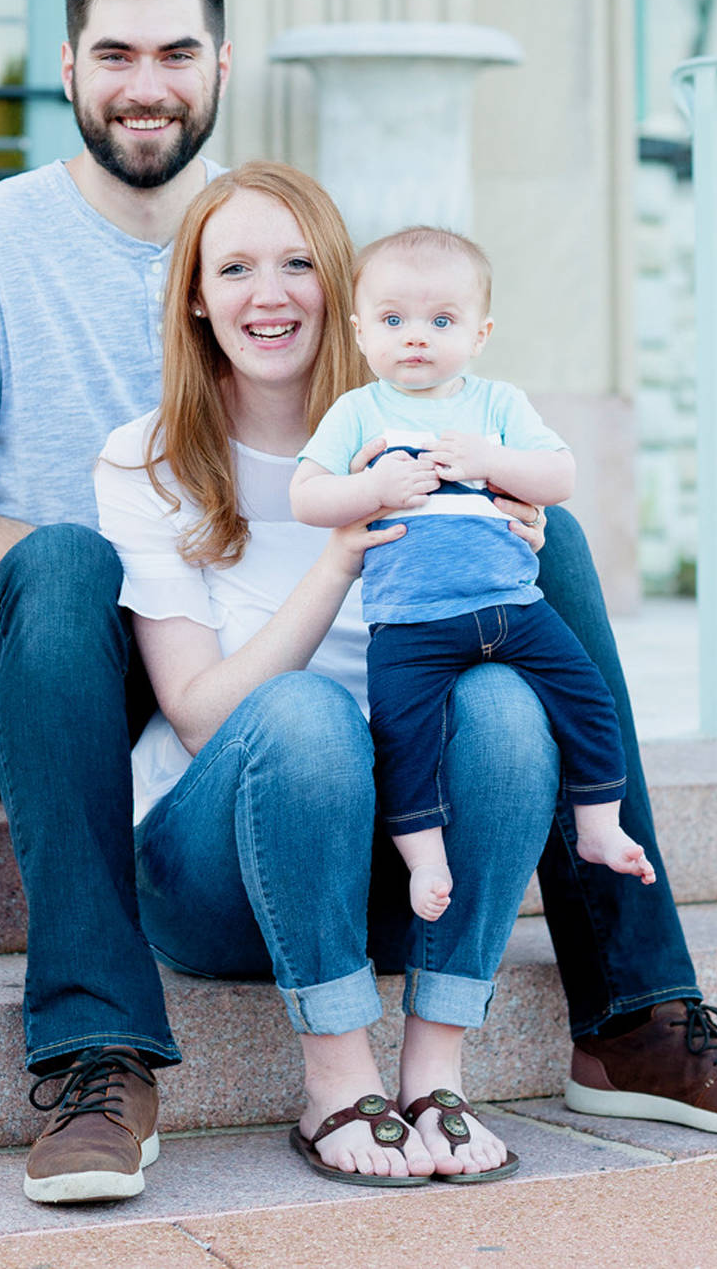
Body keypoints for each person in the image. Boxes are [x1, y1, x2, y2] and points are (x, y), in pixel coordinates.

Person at [0, 0, 717, 1206]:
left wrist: (474, 511)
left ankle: (636, 1012)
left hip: (262, 677)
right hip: (44, 658)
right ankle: (99, 1046)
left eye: (174, 50)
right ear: (68, 67)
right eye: (115, 52)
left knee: (528, 555)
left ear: (221, 63)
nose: (144, 80)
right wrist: (149, 548)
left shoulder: (289, 245)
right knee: (74, 570)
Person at [96, 160, 556, 1183]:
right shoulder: (149, 458)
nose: (268, 294)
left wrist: (505, 537)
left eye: (298, 263)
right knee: (302, 713)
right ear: (198, 300)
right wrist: (340, 549)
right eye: (235, 269)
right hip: (216, 873)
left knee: (504, 704)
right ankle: (335, 1081)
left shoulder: (426, 438)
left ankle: (434, 1073)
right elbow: (205, 717)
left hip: (404, 870)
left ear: (342, 294)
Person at [291, 227, 656, 922]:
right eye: (394, 320)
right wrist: (374, 489)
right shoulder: (358, 411)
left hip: (512, 606)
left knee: (589, 697)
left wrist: (493, 461)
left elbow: (560, 475)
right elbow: (307, 497)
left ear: (480, 333)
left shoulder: (498, 406)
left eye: (442, 320)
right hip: (411, 624)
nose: (416, 337)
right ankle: (424, 858)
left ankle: (600, 824)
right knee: (405, 737)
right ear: (362, 331)